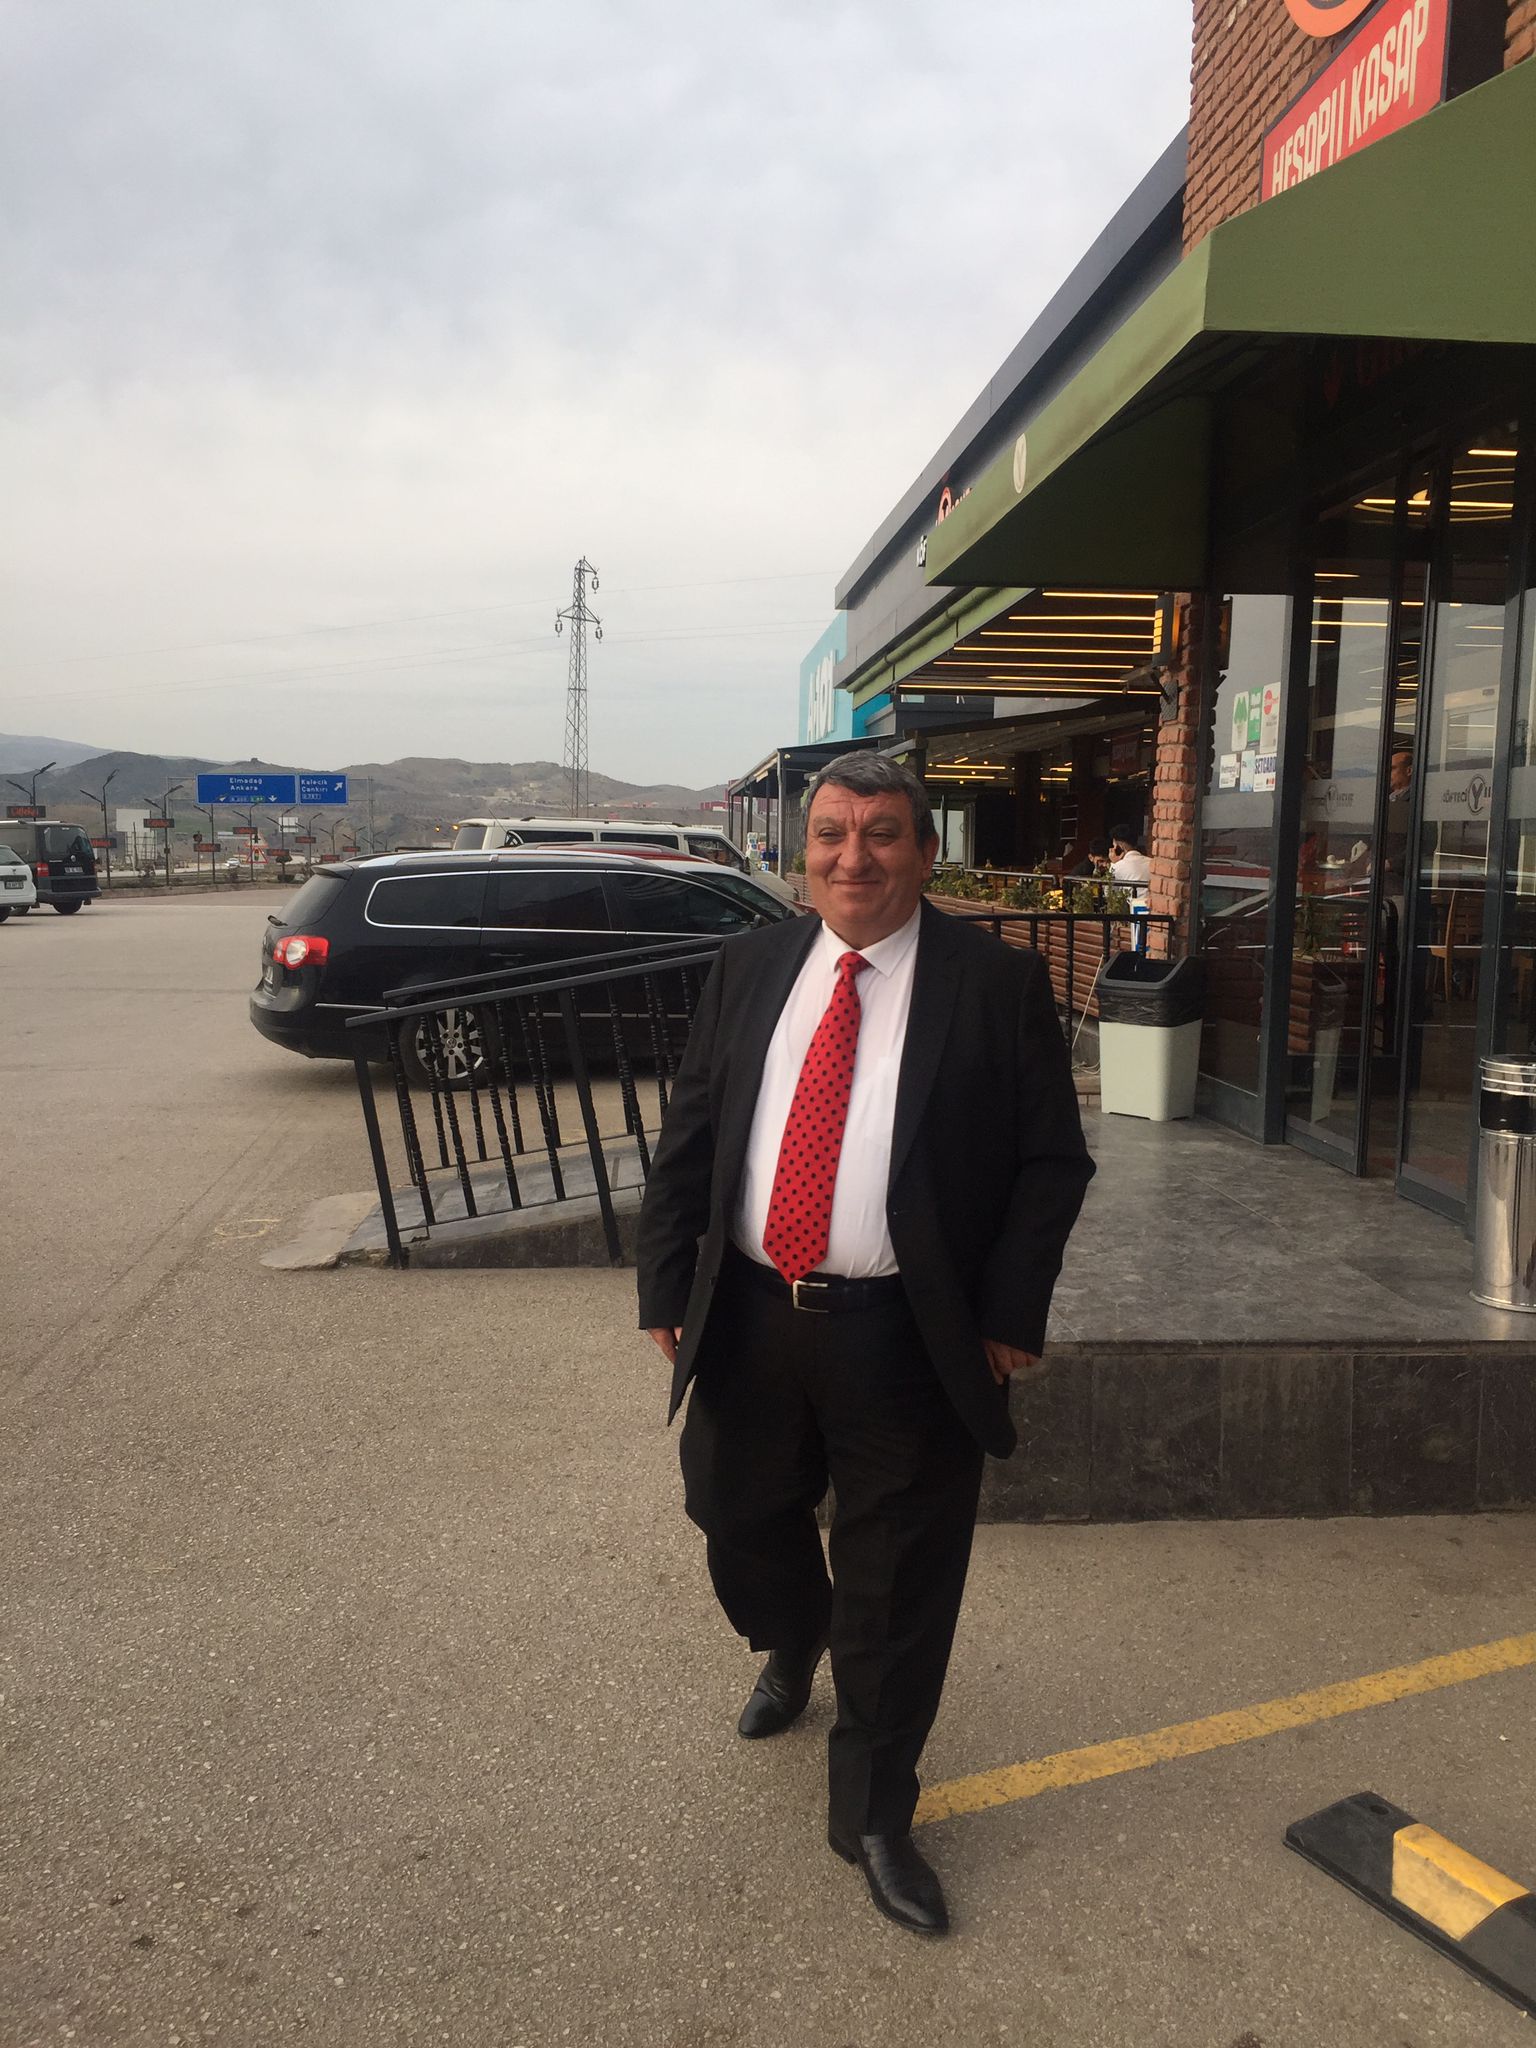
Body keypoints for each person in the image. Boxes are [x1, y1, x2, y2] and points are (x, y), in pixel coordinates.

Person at [637, 752, 1094, 1937]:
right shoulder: (749, 966)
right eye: (832, 832)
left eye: (883, 833)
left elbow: (1052, 1160)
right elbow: (693, 1132)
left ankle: (877, 1811)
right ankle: (795, 1633)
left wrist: (1010, 1310)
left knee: (900, 1579)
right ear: (804, 852)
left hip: (907, 1330)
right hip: (749, 1311)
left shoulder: (994, 983)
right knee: (733, 1509)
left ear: (925, 852)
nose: (854, 856)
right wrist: (665, 1276)